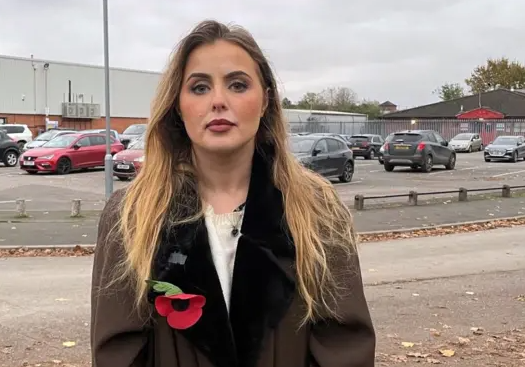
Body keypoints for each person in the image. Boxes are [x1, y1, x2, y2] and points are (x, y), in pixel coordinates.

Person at [91, 20, 376, 367]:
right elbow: (118, 355)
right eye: (199, 88)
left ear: (266, 100)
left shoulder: (317, 209)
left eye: (238, 85)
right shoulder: (132, 215)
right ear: (178, 105)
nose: (218, 101)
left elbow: (345, 347)